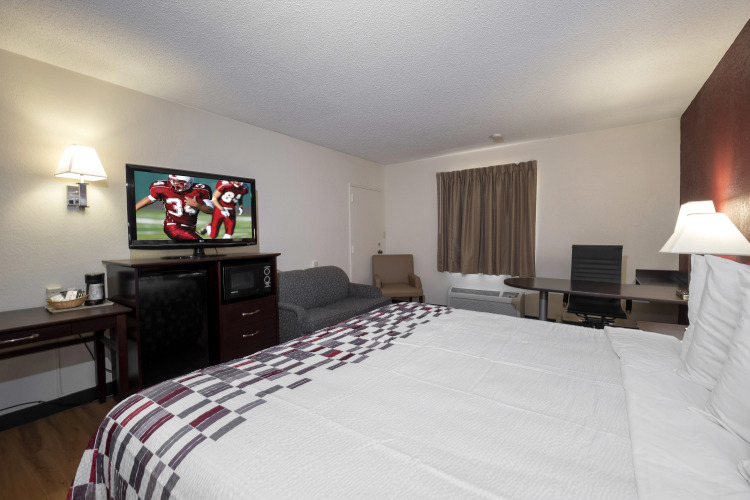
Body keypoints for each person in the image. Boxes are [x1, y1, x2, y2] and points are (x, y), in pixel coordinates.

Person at [135, 175, 213, 240]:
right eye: (173, 181)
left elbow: (211, 210)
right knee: (200, 243)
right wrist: (133, 209)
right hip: (173, 226)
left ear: (189, 183)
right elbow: (150, 198)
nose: (175, 184)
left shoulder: (200, 190)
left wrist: (197, 205)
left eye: (180, 183)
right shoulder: (163, 187)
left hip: (190, 228)